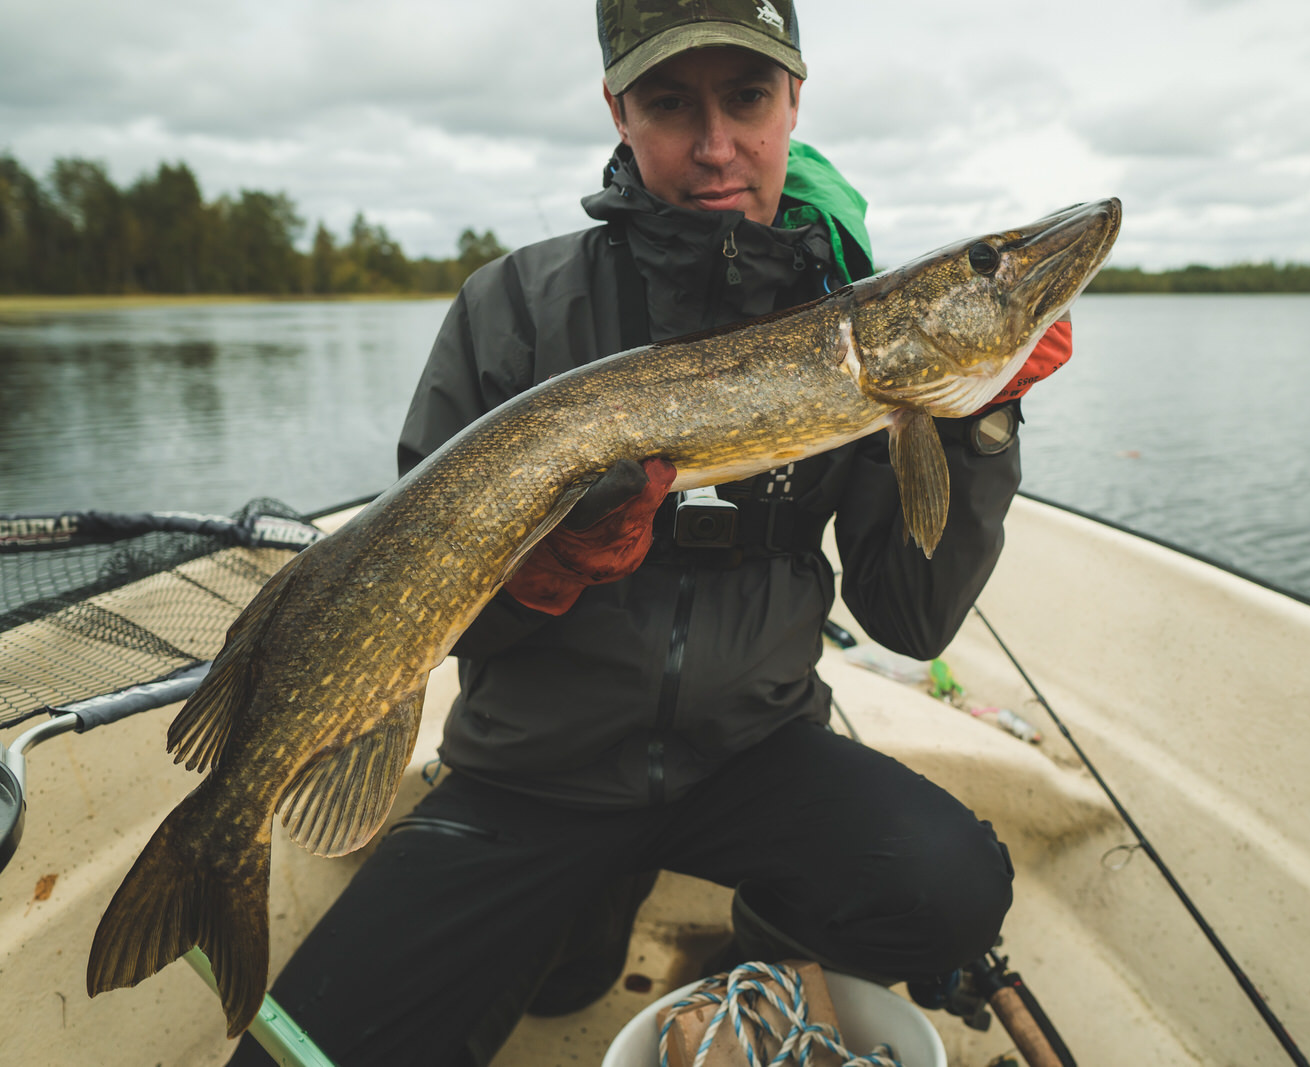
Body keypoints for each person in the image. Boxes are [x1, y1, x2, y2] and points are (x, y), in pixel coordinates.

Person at [231, 2, 1072, 1063]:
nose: (716, 145)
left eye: (747, 98)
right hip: (536, 770)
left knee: (950, 886)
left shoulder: (852, 328)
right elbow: (419, 606)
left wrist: (979, 420)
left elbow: (907, 618)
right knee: (308, 1053)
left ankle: (769, 931)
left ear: (794, 99)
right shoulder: (512, 306)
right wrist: (543, 576)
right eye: (671, 104)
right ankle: (581, 912)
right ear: (617, 111)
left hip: (754, 753)